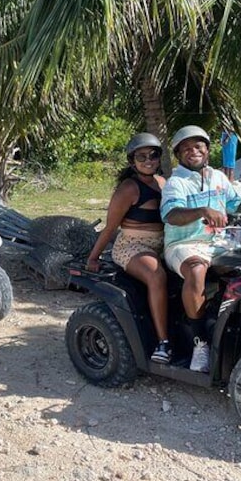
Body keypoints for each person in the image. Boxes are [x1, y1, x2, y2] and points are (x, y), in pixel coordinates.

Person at [161, 125, 241, 373]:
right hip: (183, 244)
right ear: (178, 155)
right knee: (196, 271)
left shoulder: (218, 177)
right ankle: (200, 343)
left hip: (216, 243)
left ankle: (237, 327)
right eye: (185, 148)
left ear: (207, 149)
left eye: (198, 146)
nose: (192, 151)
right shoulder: (176, 182)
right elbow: (170, 215)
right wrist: (202, 212)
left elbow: (236, 204)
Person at [85, 133, 170, 363]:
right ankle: (163, 343)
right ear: (132, 161)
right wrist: (93, 258)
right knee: (156, 276)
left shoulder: (163, 183)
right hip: (132, 246)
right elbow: (110, 227)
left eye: (153, 155)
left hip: (162, 245)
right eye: (141, 156)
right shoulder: (128, 189)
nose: (148, 160)